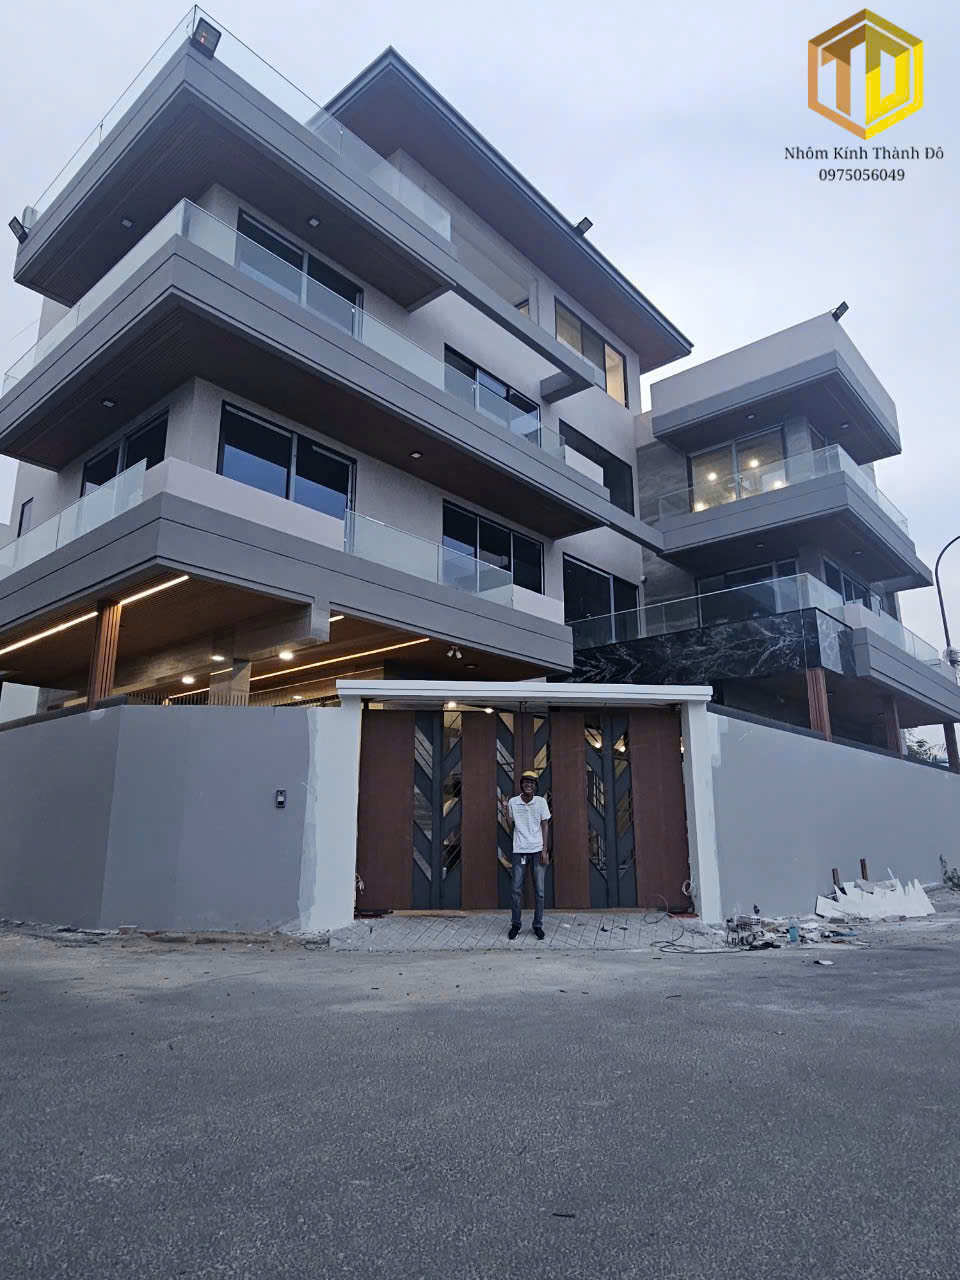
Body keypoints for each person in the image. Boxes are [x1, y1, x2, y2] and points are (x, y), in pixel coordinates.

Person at [501, 770, 551, 940]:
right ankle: (516, 925)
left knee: (540, 891)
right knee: (516, 891)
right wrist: (505, 811)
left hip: (537, 851)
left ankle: (538, 925)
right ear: (521, 784)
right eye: (526, 782)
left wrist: (544, 850)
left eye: (532, 782)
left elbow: (545, 825)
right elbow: (511, 827)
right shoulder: (514, 802)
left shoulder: (541, 802)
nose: (529, 785)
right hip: (520, 850)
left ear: (536, 786)